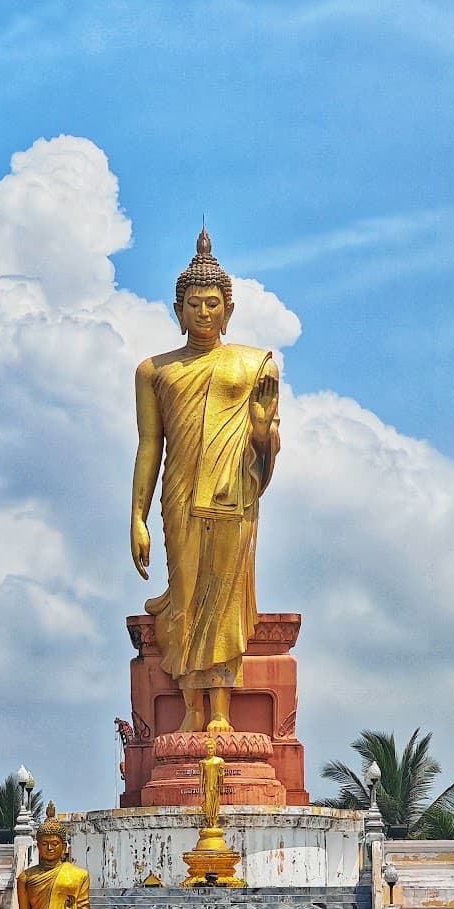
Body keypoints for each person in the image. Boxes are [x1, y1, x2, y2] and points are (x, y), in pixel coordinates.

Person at [130, 228, 280, 734]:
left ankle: (219, 708)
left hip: (232, 494)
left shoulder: (253, 363)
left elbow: (266, 441)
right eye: (193, 303)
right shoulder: (155, 371)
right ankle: (191, 707)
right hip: (179, 494)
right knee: (188, 594)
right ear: (177, 310)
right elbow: (150, 444)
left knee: (226, 596)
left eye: (213, 303)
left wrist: (263, 434)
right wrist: (137, 517)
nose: (204, 313)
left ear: (229, 309)